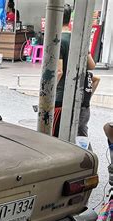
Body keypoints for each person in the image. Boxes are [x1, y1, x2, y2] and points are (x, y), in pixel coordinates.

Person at [53, 4, 96, 138]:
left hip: (61, 96)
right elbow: (91, 65)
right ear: (69, 20)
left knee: (56, 134)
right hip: (79, 95)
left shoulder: (58, 41)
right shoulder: (79, 39)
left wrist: (48, 91)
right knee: (78, 134)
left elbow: (59, 71)